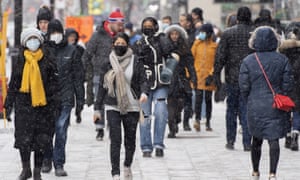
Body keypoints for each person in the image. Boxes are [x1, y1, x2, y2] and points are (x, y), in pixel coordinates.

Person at [239, 26, 293, 180]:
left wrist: (249, 98)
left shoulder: (249, 60)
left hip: (255, 103)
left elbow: (244, 85)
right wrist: (281, 94)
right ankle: (272, 173)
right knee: (273, 138)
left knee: (256, 138)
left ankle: (255, 172)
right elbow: (288, 84)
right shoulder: (282, 60)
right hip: (275, 104)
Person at [4, 27, 58, 180]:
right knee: (23, 139)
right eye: (29, 39)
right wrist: (8, 104)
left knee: (41, 139)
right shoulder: (20, 60)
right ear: (24, 42)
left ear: (39, 42)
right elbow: (14, 83)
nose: (32, 42)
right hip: (24, 106)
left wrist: (54, 102)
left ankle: (37, 171)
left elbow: (54, 83)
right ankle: (25, 168)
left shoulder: (47, 59)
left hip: (43, 106)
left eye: (35, 39)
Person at [94, 32, 149, 180]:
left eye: (122, 43)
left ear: (127, 44)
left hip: (132, 106)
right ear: (113, 45)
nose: (119, 46)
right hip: (113, 105)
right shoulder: (108, 62)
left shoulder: (135, 61)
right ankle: (115, 173)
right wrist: (97, 107)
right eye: (117, 43)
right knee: (115, 139)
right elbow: (102, 86)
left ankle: (127, 165)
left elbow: (143, 79)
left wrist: (144, 92)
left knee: (130, 140)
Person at [41, 19, 85, 177]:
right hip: (47, 98)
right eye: (52, 32)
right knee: (47, 131)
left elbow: (78, 77)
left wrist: (80, 100)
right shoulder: (43, 50)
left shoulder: (72, 51)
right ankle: (46, 159)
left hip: (65, 97)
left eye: (57, 32)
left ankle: (59, 163)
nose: (55, 35)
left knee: (60, 129)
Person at [213, 6, 253, 151]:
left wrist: (216, 75)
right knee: (246, 109)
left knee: (231, 109)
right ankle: (247, 142)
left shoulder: (228, 33)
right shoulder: (254, 33)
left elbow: (220, 57)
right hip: (250, 77)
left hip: (232, 76)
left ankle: (230, 140)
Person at [133, 17, 174, 157]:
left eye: (151, 25)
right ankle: (145, 146)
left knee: (161, 112)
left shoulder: (161, 39)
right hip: (144, 83)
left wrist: (160, 37)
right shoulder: (138, 42)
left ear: (156, 26)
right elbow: (136, 61)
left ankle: (158, 144)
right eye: (145, 26)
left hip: (160, 82)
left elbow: (169, 52)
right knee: (144, 116)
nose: (148, 28)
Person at [82, 8, 125, 141]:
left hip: (116, 73)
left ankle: (113, 126)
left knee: (115, 100)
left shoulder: (121, 36)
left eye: (122, 24)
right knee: (99, 100)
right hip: (99, 72)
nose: (121, 26)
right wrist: (91, 71)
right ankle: (99, 128)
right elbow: (87, 55)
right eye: (118, 24)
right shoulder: (98, 35)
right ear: (111, 22)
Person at [164, 24, 197, 137]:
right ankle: (172, 127)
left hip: (181, 79)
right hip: (168, 79)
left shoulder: (184, 48)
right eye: (172, 34)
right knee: (170, 106)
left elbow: (190, 64)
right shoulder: (164, 48)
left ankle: (176, 119)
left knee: (180, 104)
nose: (174, 36)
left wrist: (193, 77)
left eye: (176, 34)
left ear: (180, 35)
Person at [192, 23, 217, 132]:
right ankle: (197, 120)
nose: (201, 34)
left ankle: (208, 122)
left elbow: (217, 63)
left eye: (203, 32)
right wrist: (191, 75)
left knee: (208, 100)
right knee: (198, 99)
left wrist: (212, 74)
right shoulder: (196, 44)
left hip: (209, 78)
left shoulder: (214, 46)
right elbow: (191, 59)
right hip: (198, 76)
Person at [280, 22, 300, 151]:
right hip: (299, 85)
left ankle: (287, 136)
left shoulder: (283, 50)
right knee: (298, 111)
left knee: (286, 111)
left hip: (286, 84)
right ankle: (295, 136)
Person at [65, 28, 85, 124]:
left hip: (78, 76)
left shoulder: (80, 49)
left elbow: (84, 61)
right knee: (68, 99)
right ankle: (67, 117)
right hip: (67, 77)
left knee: (80, 97)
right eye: (70, 36)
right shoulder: (63, 50)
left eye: (74, 37)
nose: (72, 38)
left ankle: (78, 112)